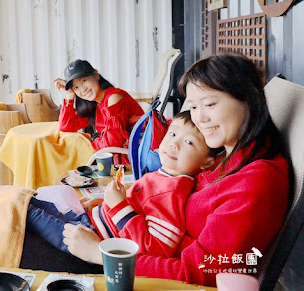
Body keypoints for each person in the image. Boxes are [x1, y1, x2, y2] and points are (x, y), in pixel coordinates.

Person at [60, 54, 290, 286]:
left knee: (29, 216)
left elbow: (200, 272)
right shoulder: (226, 155)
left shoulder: (255, 181)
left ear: (248, 100)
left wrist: (101, 255)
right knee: (30, 204)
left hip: (126, 266)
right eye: (193, 106)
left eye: (209, 104)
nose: (199, 118)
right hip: (123, 244)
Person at [26, 110, 221, 259]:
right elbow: (138, 208)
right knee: (27, 200)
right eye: (172, 134)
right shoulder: (165, 177)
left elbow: (155, 248)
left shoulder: (173, 193)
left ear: (207, 162)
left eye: (189, 142)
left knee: (26, 210)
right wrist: (105, 203)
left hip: (93, 240)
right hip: (91, 223)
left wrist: (118, 205)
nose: (174, 144)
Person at [54, 59, 144, 161]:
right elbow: (66, 126)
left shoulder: (113, 98)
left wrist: (92, 141)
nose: (83, 89)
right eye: (76, 87)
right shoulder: (95, 105)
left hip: (135, 159)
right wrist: (69, 95)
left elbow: (112, 144)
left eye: (84, 80)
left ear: (96, 74)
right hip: (118, 158)